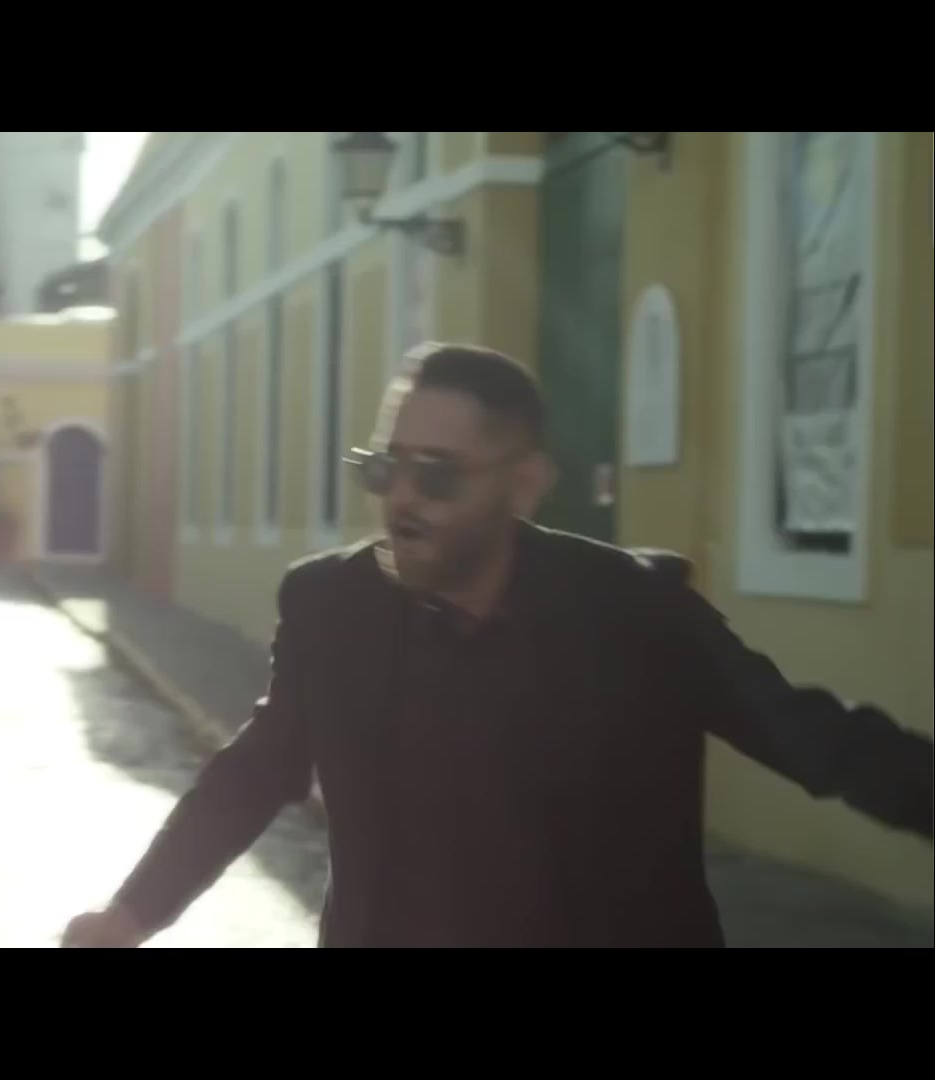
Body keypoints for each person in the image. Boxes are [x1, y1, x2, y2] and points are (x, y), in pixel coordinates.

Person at [63, 342, 934, 948]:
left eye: (437, 475)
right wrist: (129, 918)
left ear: (523, 485)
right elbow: (253, 775)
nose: (402, 499)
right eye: (385, 468)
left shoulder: (635, 612)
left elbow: (813, 737)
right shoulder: (330, 606)